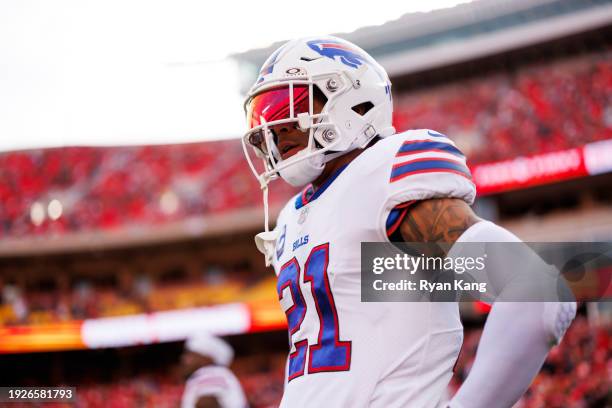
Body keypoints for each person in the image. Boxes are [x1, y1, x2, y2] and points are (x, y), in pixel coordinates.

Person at [241, 36, 576, 407]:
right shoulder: (293, 218)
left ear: (354, 98)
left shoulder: (383, 172)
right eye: (267, 118)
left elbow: (535, 294)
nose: (276, 129)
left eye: (293, 106)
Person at [180, 332, 248, 408]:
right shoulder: (220, 373)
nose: (184, 359)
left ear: (206, 357)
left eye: (190, 354)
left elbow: (206, 404)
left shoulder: (209, 373)